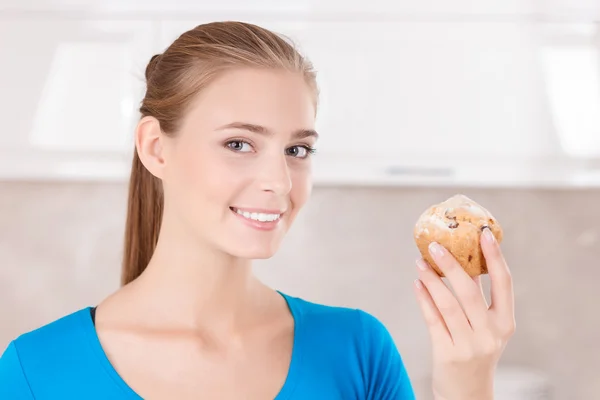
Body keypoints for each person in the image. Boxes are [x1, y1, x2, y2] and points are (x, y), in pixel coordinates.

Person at [0, 21, 515, 399]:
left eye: (297, 150)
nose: (278, 182)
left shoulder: (357, 351)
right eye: (239, 144)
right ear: (156, 148)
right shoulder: (35, 370)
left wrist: (468, 380)